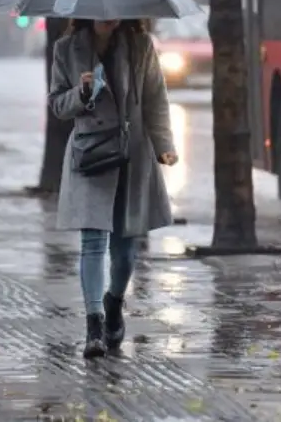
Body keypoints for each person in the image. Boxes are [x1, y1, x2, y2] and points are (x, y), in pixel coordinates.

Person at [48, 18, 178, 359]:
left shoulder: (141, 46)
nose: (110, 16)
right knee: (92, 242)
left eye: (117, 10)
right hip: (91, 154)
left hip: (132, 155)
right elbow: (58, 105)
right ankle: (93, 325)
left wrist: (164, 144)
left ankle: (114, 301)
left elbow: (155, 99)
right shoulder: (66, 49)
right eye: (102, 11)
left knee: (125, 251)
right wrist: (82, 92)